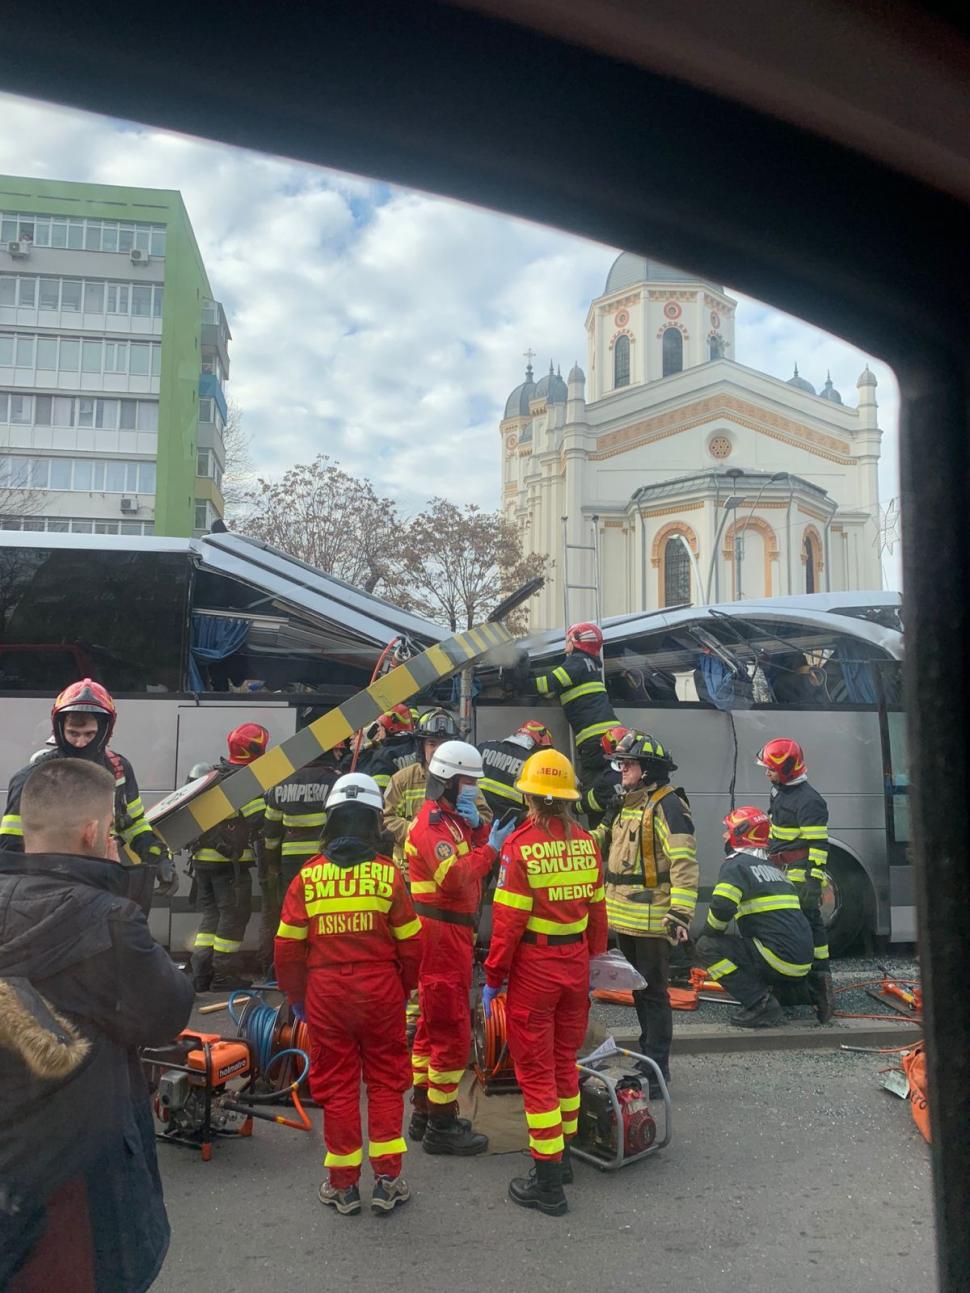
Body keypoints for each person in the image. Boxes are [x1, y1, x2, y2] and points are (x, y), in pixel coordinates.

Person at [0, 759, 193, 1290]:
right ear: (93, 832)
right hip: (77, 1181)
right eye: (111, 830)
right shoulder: (108, 920)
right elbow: (166, 1014)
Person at [274, 773, 422, 1217]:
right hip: (380, 994)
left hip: (326, 994)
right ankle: (388, 1181)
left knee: (337, 1089)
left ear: (331, 821)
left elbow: (286, 948)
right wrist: (403, 988)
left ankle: (343, 1187)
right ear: (376, 821)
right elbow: (412, 944)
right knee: (385, 1082)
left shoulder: (308, 879)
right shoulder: (388, 876)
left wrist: (298, 998)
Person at [483, 749, 607, 1216]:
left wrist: (494, 976)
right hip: (575, 965)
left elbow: (508, 922)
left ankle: (549, 1182)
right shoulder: (586, 841)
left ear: (531, 795)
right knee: (563, 1065)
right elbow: (598, 913)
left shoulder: (520, 844)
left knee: (533, 1073)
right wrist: (594, 964)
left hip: (535, 968)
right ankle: (566, 1155)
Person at [405, 740, 517, 1152]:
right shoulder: (431, 825)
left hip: (449, 933)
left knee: (429, 1031)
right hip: (440, 936)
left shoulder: (453, 821)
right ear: (450, 781)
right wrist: (491, 847)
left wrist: (482, 832)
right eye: (469, 781)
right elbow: (455, 877)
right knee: (451, 1028)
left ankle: (422, 1110)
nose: (473, 787)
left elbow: (472, 851)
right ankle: (442, 1124)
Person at [0, 678, 175, 913]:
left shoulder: (119, 769)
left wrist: (159, 857)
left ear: (105, 730)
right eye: (73, 733)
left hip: (103, 881)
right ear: (59, 727)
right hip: (51, 887)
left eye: (89, 733)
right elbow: (11, 845)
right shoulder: (36, 776)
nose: (81, 742)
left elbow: (133, 824)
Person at [600, 730, 698, 1094]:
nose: (621, 769)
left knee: (654, 994)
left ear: (648, 769)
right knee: (640, 994)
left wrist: (680, 914)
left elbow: (684, 862)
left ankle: (658, 1072)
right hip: (624, 918)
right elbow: (601, 845)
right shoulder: (627, 802)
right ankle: (647, 1060)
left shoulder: (667, 806)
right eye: (620, 763)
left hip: (653, 920)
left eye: (628, 763)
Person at [695, 806, 814, 1027]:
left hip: (778, 959)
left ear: (740, 834)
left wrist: (707, 934)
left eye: (727, 830)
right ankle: (791, 995)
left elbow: (721, 907)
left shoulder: (736, 866)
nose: (724, 835)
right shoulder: (774, 870)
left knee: (706, 946)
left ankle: (760, 1004)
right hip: (801, 962)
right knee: (756, 944)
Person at [757, 737, 835, 1023]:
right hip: (780, 869)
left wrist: (813, 884)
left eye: (772, 769)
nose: (767, 772)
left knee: (811, 926)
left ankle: (822, 988)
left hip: (800, 874)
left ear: (788, 769)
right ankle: (790, 989)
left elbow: (818, 846)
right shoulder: (779, 791)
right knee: (784, 927)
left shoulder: (809, 801)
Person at [189, 722, 269, 992]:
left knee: (210, 918)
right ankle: (223, 976)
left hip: (202, 862)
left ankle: (201, 973)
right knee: (232, 917)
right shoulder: (244, 781)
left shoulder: (213, 774)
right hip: (228, 866)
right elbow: (260, 818)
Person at [260, 748, 343, 972]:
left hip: (290, 861)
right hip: (323, 859)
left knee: (293, 914)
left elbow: (271, 832)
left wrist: (272, 864)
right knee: (322, 912)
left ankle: (287, 964)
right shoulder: (335, 781)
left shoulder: (281, 783)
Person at [385, 708, 492, 872]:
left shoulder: (463, 780)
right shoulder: (402, 780)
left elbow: (485, 816)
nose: (437, 749)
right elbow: (386, 819)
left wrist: (477, 821)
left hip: (455, 867)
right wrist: (419, 834)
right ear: (421, 747)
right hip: (411, 873)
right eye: (431, 743)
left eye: (444, 744)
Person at [528, 622, 619, 779]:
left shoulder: (577, 661)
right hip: (610, 734)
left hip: (593, 737)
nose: (566, 644)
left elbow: (547, 684)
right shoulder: (590, 665)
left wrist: (524, 681)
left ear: (577, 641)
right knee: (609, 778)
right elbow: (556, 690)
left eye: (568, 640)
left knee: (592, 780)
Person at [477, 719, 554, 821]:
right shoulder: (534, 764)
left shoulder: (484, 747)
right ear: (537, 744)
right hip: (512, 826)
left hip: (478, 821)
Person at [358, 704, 420, 791]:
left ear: (390, 728)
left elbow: (379, 790)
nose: (378, 731)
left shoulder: (384, 755)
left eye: (380, 728)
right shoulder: (421, 746)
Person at [578, 725, 630, 826]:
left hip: (611, 830)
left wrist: (574, 805)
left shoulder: (608, 779)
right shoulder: (638, 770)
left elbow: (590, 802)